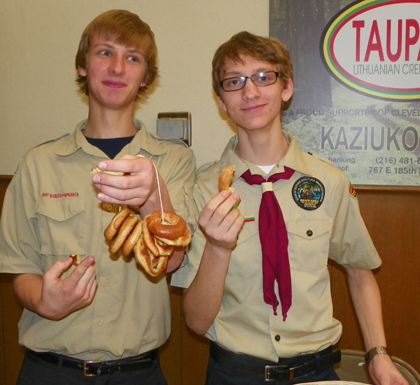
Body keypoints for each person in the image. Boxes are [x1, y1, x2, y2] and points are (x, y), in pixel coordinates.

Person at [171, 31, 408, 385]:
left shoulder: (330, 181)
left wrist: (379, 355)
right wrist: (219, 247)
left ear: (286, 88)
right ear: (221, 101)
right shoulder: (202, 189)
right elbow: (196, 321)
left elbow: (360, 273)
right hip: (234, 373)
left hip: (317, 371)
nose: (250, 92)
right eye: (234, 82)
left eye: (264, 77)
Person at [0, 9, 196, 385]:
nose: (118, 68)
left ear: (146, 77)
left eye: (132, 58)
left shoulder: (174, 161)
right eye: (105, 53)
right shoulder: (38, 163)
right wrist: (42, 301)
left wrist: (153, 195)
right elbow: (19, 266)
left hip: (138, 372)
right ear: (82, 66)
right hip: (49, 370)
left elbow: (173, 262)